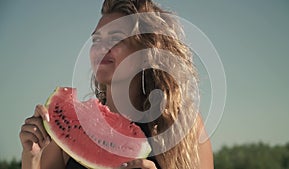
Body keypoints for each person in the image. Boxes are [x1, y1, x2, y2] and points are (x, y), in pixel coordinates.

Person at [19, 0, 214, 168]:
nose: (101, 48)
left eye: (115, 38)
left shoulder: (184, 127)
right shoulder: (68, 125)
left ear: (146, 52)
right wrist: (32, 157)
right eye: (96, 40)